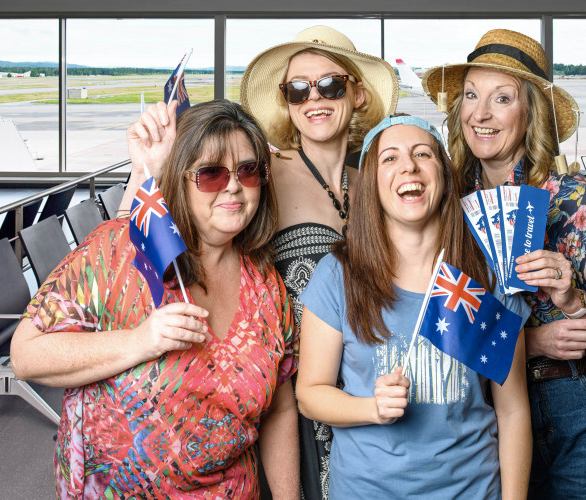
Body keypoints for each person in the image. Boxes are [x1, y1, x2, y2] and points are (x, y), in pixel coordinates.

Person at [121, 26, 398, 499]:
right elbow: (140, 240)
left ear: (357, 94)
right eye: (298, 88)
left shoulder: (375, 181)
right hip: (284, 395)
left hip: (369, 391)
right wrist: (145, 169)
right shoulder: (258, 173)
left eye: (330, 85)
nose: (315, 98)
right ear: (285, 101)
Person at [10, 100, 300, 499]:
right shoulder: (120, 249)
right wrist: (139, 341)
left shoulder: (267, 285)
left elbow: (280, 408)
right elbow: (26, 355)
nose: (233, 185)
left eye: (247, 170)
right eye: (211, 173)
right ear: (179, 180)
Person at [423, 29, 586, 499]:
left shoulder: (574, 199)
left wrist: (574, 298)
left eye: (501, 99)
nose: (480, 114)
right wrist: (531, 342)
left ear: (531, 112)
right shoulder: (450, 203)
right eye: (470, 96)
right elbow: (445, 324)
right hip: (497, 402)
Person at [295, 114, 532, 499]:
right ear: (372, 183)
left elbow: (513, 411)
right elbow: (309, 394)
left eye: (422, 153)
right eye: (390, 158)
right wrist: (372, 408)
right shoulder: (337, 274)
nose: (408, 165)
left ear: (443, 175)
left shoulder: (486, 277)